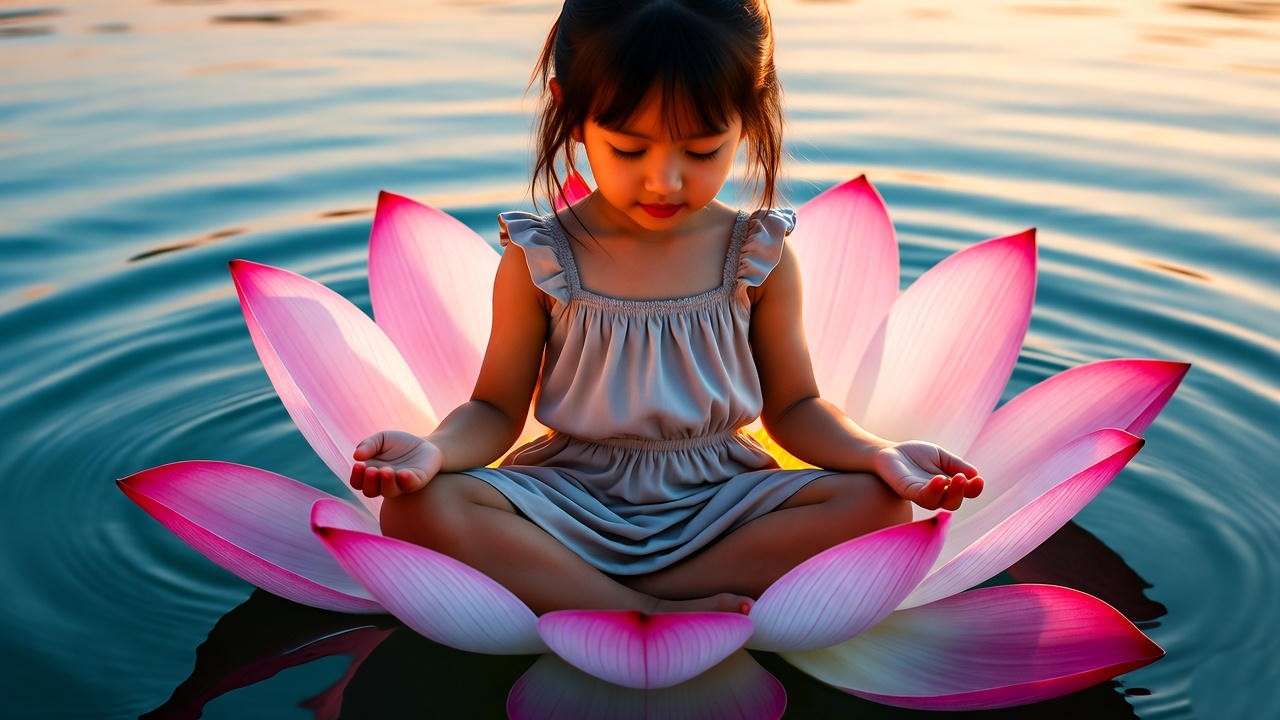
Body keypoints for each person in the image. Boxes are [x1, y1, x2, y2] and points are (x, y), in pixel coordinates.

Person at [348, 0, 983, 617]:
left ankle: (582, 593)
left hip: (722, 500)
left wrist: (880, 453)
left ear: (749, 116)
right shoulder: (540, 257)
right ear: (569, 110)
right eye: (629, 149)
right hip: (568, 499)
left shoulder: (757, 255)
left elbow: (795, 409)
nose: (665, 181)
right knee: (416, 511)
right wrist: (431, 453)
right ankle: (641, 606)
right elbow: (494, 411)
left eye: (702, 151)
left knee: (878, 507)